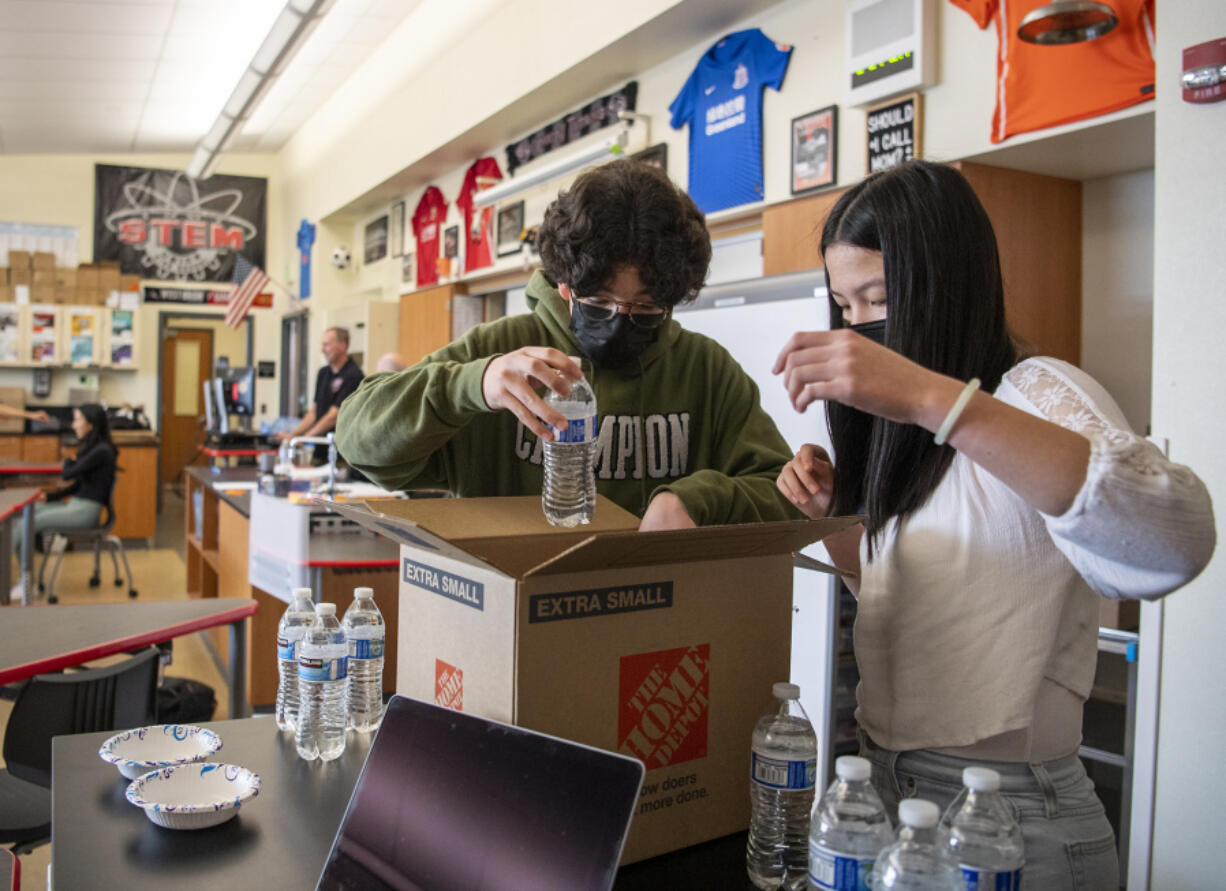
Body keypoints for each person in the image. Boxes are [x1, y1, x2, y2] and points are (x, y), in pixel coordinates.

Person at [772, 160, 1216, 888]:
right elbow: (922, 601)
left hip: (1008, 815)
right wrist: (833, 521)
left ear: (948, 285)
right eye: (844, 306)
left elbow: (1176, 536)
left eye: (878, 298)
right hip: (890, 792)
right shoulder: (907, 436)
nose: (858, 329)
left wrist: (930, 397)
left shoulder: (1036, 391)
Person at [336, 160, 798, 529]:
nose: (621, 322)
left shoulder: (704, 370)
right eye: (599, 304)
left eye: (646, 310)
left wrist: (694, 501)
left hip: (661, 626)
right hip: (516, 622)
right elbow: (358, 439)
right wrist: (472, 385)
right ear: (564, 287)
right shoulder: (502, 350)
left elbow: (785, 492)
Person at [13, 404, 118, 558]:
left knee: (30, 522)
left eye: (77, 420)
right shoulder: (94, 448)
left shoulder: (101, 451)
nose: (73, 425)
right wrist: (49, 498)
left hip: (85, 512)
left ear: (91, 424)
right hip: (77, 505)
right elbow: (77, 484)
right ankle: (23, 573)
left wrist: (70, 462)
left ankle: (23, 577)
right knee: (30, 512)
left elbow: (67, 474)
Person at [278, 327, 364, 443]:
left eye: (327, 345)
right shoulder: (323, 373)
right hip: (320, 448)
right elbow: (314, 412)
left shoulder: (354, 375)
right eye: (322, 345)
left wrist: (305, 438)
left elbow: (334, 416)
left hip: (339, 450)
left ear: (342, 346)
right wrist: (293, 435)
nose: (323, 350)